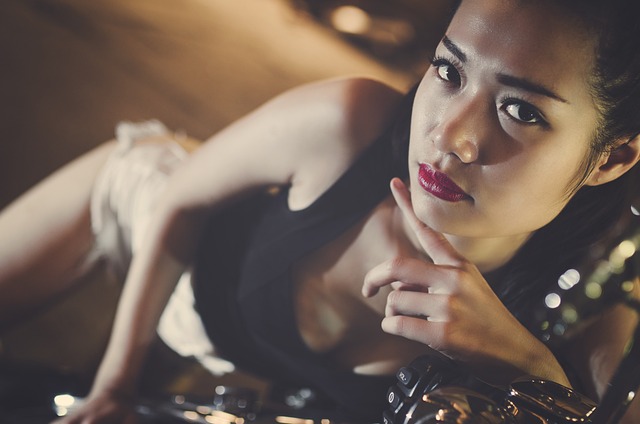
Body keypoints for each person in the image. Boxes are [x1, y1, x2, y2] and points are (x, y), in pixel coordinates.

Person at [1, 0, 639, 422]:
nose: (450, 136)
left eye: (520, 111)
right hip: (145, 225)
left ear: (611, 158)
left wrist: (526, 366)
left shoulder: (576, 321)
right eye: (449, 71)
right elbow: (179, 201)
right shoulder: (346, 125)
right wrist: (115, 381)